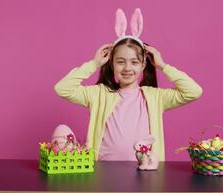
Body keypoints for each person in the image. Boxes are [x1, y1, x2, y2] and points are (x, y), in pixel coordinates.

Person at [54, 8, 202, 161]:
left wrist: (163, 66)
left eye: (134, 62)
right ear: (111, 63)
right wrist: (93, 64)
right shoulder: (99, 94)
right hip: (103, 173)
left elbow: (193, 91)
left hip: (145, 172)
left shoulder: (154, 97)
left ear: (143, 65)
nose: (127, 68)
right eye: (120, 62)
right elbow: (62, 88)